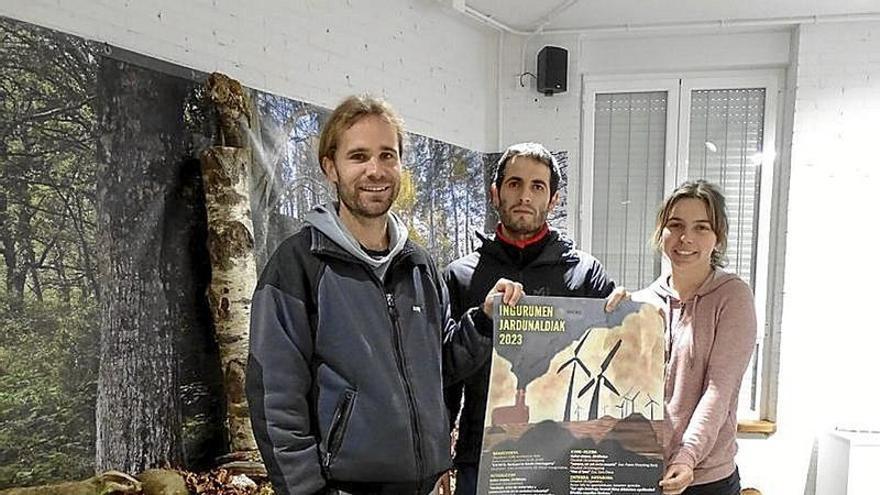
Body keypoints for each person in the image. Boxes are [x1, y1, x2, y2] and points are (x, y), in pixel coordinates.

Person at [245, 95, 523, 495]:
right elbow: (276, 398)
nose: (375, 170)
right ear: (331, 167)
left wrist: (482, 320)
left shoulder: (419, 264)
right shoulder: (298, 266)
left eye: (386, 156)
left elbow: (439, 362)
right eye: (358, 156)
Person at [443, 142, 618, 495]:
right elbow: (444, 372)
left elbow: (611, 366)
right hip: (482, 461)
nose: (525, 195)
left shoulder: (584, 274)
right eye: (514, 183)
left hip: (563, 459)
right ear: (496, 193)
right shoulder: (460, 276)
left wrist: (633, 320)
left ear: (553, 200)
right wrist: (436, 459)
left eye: (538, 186)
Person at [633, 180, 756, 495]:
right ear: (661, 232)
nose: (685, 238)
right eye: (675, 225)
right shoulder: (642, 302)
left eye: (701, 227)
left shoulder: (733, 296)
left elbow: (720, 390)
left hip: (706, 479)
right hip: (643, 474)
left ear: (718, 238)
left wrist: (687, 456)